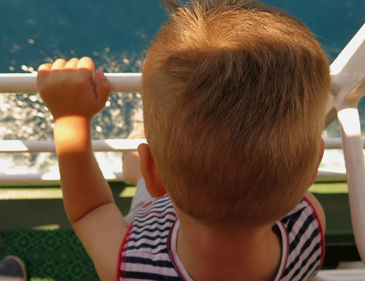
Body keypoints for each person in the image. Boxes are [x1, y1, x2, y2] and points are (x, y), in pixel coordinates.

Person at [36, 0, 330, 280]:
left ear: (155, 174)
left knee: (135, 161)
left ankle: (144, 144)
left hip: (156, 212)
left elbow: (92, 210)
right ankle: (151, 147)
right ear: (314, 163)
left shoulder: (130, 264)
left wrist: (69, 118)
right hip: (169, 182)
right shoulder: (309, 226)